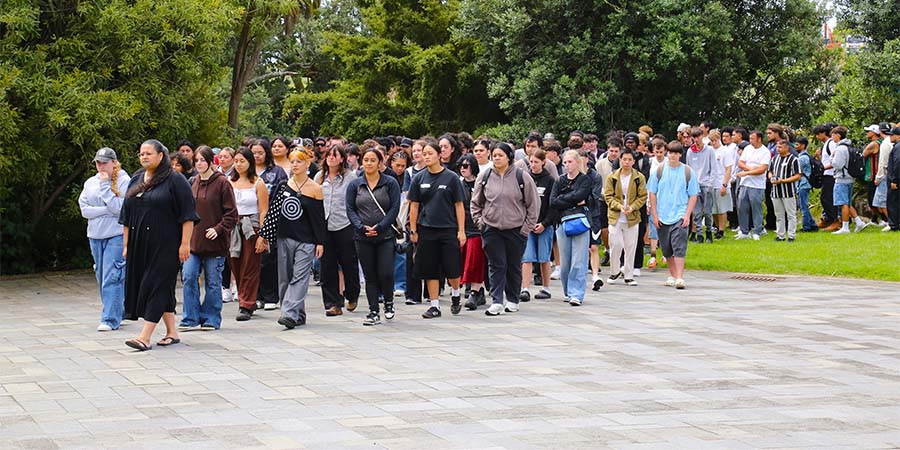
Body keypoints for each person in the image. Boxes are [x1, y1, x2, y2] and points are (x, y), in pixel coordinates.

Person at [119, 139, 198, 351]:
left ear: (160, 156)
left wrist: (185, 244)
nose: (144, 156)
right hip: (139, 244)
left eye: (148, 153)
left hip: (166, 244)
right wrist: (126, 244)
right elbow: (126, 215)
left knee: (155, 285)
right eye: (141, 153)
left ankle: (144, 336)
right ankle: (172, 332)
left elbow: (188, 215)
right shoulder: (136, 178)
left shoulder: (175, 179)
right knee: (160, 287)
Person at [258, 150, 326, 329]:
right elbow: (273, 213)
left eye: (299, 161)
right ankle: (298, 313)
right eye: (292, 161)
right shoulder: (284, 185)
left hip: (306, 240)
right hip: (284, 237)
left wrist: (320, 242)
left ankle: (288, 312)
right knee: (285, 277)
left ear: (307, 164)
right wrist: (264, 235)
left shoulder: (316, 189)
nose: (295, 165)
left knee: (300, 276)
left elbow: (318, 219)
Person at [471, 142, 539, 316]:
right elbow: (475, 203)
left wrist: (525, 229)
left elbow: (533, 205)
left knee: (513, 265)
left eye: (500, 155)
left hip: (516, 229)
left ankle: (513, 299)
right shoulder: (485, 176)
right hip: (491, 228)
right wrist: (481, 223)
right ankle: (496, 301)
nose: (497, 158)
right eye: (494, 155)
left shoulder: (521, 176)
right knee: (496, 264)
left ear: (509, 157)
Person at [178, 146, 238, 331]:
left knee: (213, 281)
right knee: (188, 277)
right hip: (194, 242)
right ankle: (190, 317)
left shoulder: (222, 183)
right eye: (196, 160)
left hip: (215, 244)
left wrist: (218, 229)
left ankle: (211, 318)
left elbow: (232, 214)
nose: (199, 164)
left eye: (203, 160)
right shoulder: (192, 182)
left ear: (212, 162)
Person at [407, 138, 467, 318]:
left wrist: (461, 230)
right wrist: (413, 229)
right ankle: (434, 305)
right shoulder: (419, 178)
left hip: (448, 228)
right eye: (423, 154)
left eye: (430, 153)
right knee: (430, 268)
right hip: (426, 229)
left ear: (439, 155)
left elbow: (459, 205)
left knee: (452, 268)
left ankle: (456, 293)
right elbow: (414, 205)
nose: (426, 157)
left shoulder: (452, 178)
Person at [345, 148, 401, 326]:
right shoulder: (356, 185)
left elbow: (394, 208)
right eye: (366, 160)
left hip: (385, 235)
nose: (368, 163)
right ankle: (373, 310)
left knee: (385, 272)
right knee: (370, 275)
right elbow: (350, 209)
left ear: (380, 162)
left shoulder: (390, 182)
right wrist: (361, 227)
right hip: (362, 237)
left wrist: (381, 226)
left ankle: (389, 303)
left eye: (372, 160)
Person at [79, 147, 131, 332]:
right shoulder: (90, 182)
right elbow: (85, 209)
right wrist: (105, 210)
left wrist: (105, 190)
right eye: (98, 162)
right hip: (94, 234)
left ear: (114, 162)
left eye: (104, 162)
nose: (100, 166)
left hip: (115, 235)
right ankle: (118, 309)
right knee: (100, 275)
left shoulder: (124, 181)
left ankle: (110, 318)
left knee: (112, 275)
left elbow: (120, 209)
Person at [314, 144, 360, 316]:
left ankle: (352, 294)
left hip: (345, 224)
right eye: (329, 155)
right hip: (324, 225)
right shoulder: (319, 177)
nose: (331, 158)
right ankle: (333, 302)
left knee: (349, 263)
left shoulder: (351, 177)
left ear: (342, 158)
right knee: (327, 265)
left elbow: (356, 200)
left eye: (335, 155)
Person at [648, 141, 699, 290]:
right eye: (670, 153)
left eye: (676, 153)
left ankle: (680, 277)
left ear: (680, 155)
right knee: (666, 247)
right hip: (662, 215)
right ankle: (672, 274)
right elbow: (652, 193)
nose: (672, 156)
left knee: (679, 246)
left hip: (680, 214)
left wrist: (687, 214)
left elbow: (693, 194)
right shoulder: (659, 170)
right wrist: (655, 215)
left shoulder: (688, 172)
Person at [230, 147, 269, 322]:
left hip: (251, 227)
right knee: (235, 264)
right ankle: (246, 298)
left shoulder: (258, 183)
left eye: (242, 161)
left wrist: (262, 234)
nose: (238, 164)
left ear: (249, 162)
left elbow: (263, 210)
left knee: (250, 266)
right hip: (233, 227)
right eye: (236, 161)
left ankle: (246, 303)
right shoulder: (228, 182)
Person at [549, 150, 592, 305]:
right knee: (565, 261)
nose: (567, 165)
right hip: (562, 222)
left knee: (579, 260)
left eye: (570, 162)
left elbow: (581, 195)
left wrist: (565, 198)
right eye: (565, 162)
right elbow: (553, 201)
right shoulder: (559, 181)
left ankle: (577, 293)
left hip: (579, 222)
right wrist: (571, 200)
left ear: (577, 162)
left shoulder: (585, 179)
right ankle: (567, 290)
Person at [251, 138, 288, 310]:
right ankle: (254, 296)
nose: (257, 156)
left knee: (269, 259)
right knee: (252, 260)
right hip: (250, 220)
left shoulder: (277, 172)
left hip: (273, 220)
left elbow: (283, 196)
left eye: (260, 152)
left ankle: (271, 295)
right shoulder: (247, 172)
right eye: (254, 153)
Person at [603, 148, 648, 286]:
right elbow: (608, 196)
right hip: (616, 216)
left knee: (630, 246)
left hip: (632, 217)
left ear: (633, 161)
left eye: (629, 160)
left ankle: (629, 275)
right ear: (620, 160)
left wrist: (632, 207)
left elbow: (642, 196)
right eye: (624, 159)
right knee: (616, 244)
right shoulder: (612, 177)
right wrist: (619, 206)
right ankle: (614, 271)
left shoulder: (639, 177)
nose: (627, 162)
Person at [519, 149, 555, 302]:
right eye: (531, 162)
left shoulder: (551, 180)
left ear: (543, 162)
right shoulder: (525, 178)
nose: (533, 165)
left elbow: (553, 206)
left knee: (543, 257)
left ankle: (546, 287)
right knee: (526, 257)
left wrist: (545, 223)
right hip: (528, 224)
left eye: (536, 162)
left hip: (544, 224)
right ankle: (525, 288)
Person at [457, 154, 487, 310]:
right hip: (461, 227)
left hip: (477, 228)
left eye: (466, 165)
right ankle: (478, 290)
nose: (463, 168)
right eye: (461, 165)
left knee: (474, 260)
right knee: (460, 261)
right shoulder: (458, 184)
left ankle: (474, 292)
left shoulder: (481, 183)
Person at [830, 126, 868, 234]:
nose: (832, 137)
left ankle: (845, 227)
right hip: (850, 177)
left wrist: (832, 158)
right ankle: (859, 221)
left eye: (833, 134)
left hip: (842, 178)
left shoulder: (840, 149)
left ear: (838, 135)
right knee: (847, 202)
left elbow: (838, 165)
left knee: (843, 204)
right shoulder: (849, 146)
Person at [735, 131, 770, 240]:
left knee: (756, 208)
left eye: (752, 139)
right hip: (745, 183)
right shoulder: (748, 149)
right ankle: (744, 231)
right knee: (742, 207)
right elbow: (740, 162)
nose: (750, 141)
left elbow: (762, 169)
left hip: (757, 185)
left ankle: (757, 231)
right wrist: (751, 169)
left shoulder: (765, 151)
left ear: (759, 139)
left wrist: (746, 172)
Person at [686, 127, 717, 243]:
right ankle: (699, 234)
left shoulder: (709, 150)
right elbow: (688, 168)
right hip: (695, 185)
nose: (697, 140)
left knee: (708, 211)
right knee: (696, 212)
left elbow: (713, 168)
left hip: (706, 184)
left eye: (699, 137)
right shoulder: (690, 151)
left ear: (702, 137)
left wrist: (710, 183)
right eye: (694, 137)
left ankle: (709, 232)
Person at [768, 140, 801, 242]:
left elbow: (798, 175)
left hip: (788, 191)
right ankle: (780, 235)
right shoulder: (774, 159)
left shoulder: (794, 159)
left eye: (780, 147)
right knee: (779, 214)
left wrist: (783, 180)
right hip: (775, 191)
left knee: (791, 214)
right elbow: (770, 171)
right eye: (777, 147)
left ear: (787, 147)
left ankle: (791, 235)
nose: (778, 149)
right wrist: (771, 178)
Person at [814, 124, 840, 231]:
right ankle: (829, 219)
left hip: (831, 174)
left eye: (817, 134)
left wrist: (823, 168)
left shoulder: (831, 143)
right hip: (826, 174)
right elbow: (826, 160)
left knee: (827, 198)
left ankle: (835, 220)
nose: (816, 137)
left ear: (823, 133)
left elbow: (835, 160)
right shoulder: (825, 145)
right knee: (825, 198)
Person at [709, 130, 734, 240]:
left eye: (715, 140)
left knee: (722, 208)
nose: (713, 143)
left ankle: (721, 230)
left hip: (721, 182)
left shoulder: (725, 151)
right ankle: (717, 226)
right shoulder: (709, 151)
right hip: (711, 183)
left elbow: (728, 169)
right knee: (713, 209)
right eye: (711, 141)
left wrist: (724, 184)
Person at [795, 137, 818, 232]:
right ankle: (812, 224)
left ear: (803, 145)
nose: (795, 146)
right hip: (804, 184)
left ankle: (807, 227)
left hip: (803, 184)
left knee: (803, 206)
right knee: (802, 205)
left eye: (797, 144)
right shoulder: (805, 156)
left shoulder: (803, 158)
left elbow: (796, 170)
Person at [875, 124, 894, 231]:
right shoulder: (891, 142)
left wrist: (878, 177)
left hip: (885, 174)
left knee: (881, 202)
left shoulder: (885, 144)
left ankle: (891, 222)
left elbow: (882, 162)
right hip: (890, 173)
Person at [886, 127, 900, 231]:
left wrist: (894, 179)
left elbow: (897, 163)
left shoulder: (898, 147)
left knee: (893, 202)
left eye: (892, 135)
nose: (890, 137)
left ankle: (895, 224)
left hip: (895, 179)